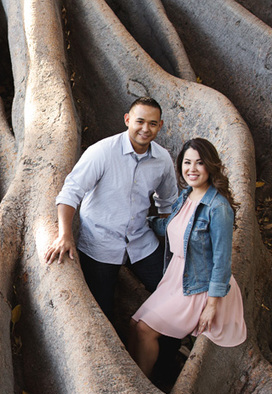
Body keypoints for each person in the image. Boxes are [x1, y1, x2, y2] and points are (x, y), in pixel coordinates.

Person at [44, 97, 178, 318]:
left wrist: (173, 246)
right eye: (140, 121)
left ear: (160, 126)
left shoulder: (162, 159)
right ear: (127, 120)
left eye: (152, 124)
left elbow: (167, 203)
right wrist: (64, 235)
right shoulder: (103, 152)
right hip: (99, 243)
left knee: (172, 293)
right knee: (102, 311)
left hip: (140, 240)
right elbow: (70, 192)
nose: (145, 129)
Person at [129, 138, 247, 377]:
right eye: (187, 162)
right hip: (176, 276)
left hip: (200, 286)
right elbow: (173, 229)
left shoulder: (218, 208)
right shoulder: (185, 197)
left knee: (144, 330)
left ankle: (144, 385)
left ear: (210, 166)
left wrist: (211, 306)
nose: (192, 169)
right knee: (134, 325)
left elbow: (223, 261)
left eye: (199, 163)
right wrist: (144, 221)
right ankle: (135, 381)